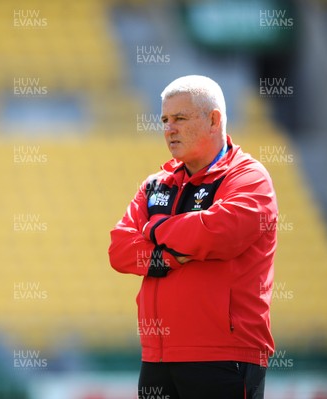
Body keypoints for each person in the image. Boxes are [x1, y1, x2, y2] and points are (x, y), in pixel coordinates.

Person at [108, 75, 277, 399]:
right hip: (157, 356)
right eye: (165, 120)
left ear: (214, 120)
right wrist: (170, 256)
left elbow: (218, 233)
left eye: (180, 118)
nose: (169, 129)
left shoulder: (249, 177)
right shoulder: (157, 183)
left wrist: (154, 230)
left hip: (225, 356)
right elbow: (119, 249)